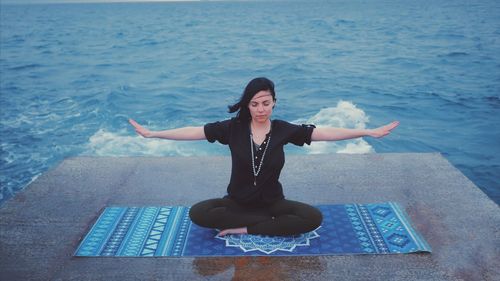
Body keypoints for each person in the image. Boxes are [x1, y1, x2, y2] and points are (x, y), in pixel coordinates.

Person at [129, 77, 399, 237]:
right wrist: (154, 134)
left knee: (313, 218)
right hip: (236, 203)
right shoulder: (232, 129)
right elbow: (194, 131)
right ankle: (265, 226)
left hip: (272, 204)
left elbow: (324, 133)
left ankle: (246, 229)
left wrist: (366, 131)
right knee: (198, 213)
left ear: (274, 102)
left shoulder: (283, 130)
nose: (261, 109)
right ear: (248, 105)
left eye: (266, 103)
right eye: (255, 103)